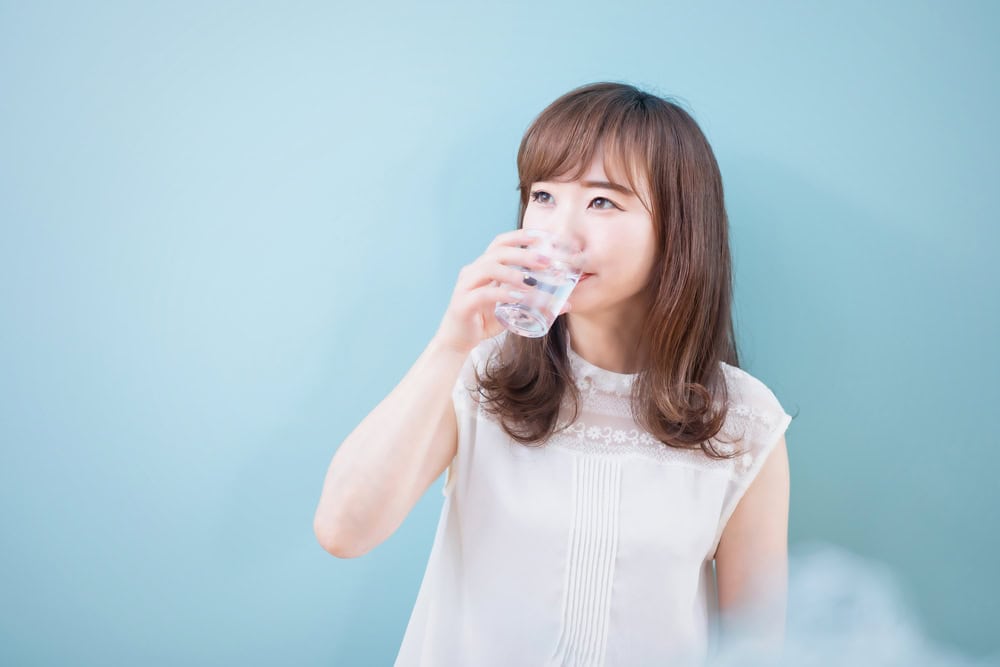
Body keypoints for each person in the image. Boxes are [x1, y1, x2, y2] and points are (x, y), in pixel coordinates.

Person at [313, 81, 794, 666]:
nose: (558, 234)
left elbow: (756, 649)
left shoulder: (741, 420)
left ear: (677, 229)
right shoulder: (481, 373)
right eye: (542, 196)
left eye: (602, 202)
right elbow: (343, 530)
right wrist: (448, 344)